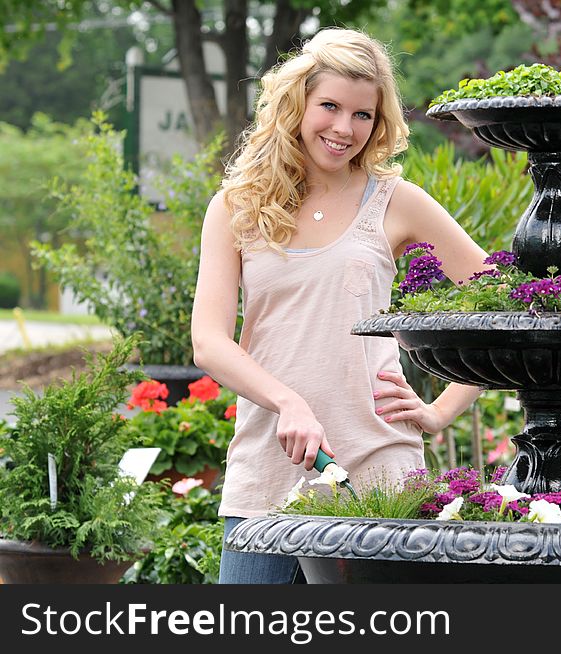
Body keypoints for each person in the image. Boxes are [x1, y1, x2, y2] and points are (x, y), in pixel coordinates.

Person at [191, 27, 490, 584]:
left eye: (363, 115)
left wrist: (441, 410)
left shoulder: (396, 201)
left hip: (379, 466)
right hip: (267, 470)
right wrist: (288, 402)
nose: (344, 129)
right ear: (296, 103)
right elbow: (209, 342)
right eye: (330, 106)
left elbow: (509, 306)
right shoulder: (237, 205)